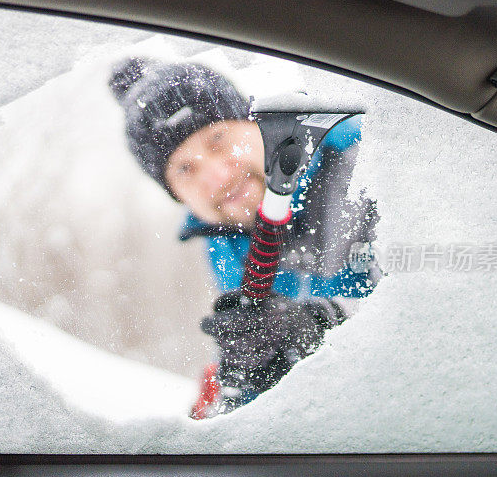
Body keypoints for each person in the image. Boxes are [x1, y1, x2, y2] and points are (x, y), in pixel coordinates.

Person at [109, 58, 380, 417]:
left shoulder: (365, 169)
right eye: (186, 169)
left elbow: (443, 303)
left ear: (256, 125)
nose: (218, 177)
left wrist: (321, 324)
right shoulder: (223, 243)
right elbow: (271, 370)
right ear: (176, 194)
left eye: (219, 141)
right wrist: (239, 391)